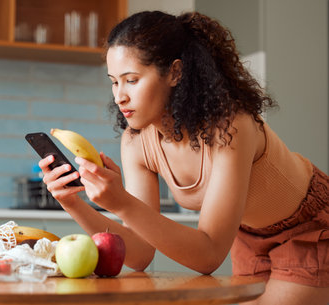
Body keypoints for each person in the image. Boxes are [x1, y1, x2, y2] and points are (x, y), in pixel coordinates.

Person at [39, 11, 328, 305]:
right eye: (114, 82)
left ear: (175, 73)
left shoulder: (231, 127)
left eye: (132, 80)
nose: (119, 96)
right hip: (249, 238)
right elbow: (139, 254)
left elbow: (209, 255)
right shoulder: (136, 141)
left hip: (309, 229)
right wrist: (73, 202)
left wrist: (121, 201)